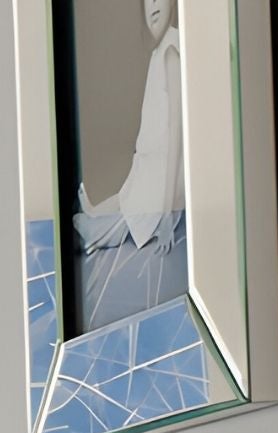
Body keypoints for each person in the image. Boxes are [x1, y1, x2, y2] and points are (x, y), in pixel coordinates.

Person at [73, 0, 186, 329]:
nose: (152, 5)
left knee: (101, 225)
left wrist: (167, 214)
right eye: (146, 1)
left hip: (161, 176)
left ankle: (92, 225)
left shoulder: (171, 54)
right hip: (145, 170)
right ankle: (92, 216)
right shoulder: (158, 53)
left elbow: (176, 131)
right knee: (115, 205)